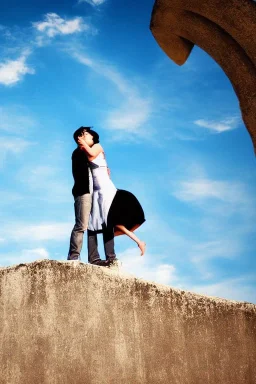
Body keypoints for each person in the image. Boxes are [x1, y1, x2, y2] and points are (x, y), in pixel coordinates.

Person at [77, 129, 146, 264]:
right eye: (81, 135)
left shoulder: (97, 146)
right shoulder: (83, 151)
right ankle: (94, 258)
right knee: (93, 224)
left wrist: (82, 144)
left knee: (108, 222)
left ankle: (111, 257)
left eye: (86, 134)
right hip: (96, 193)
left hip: (107, 191)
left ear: (93, 137)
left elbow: (91, 155)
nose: (83, 136)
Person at [67, 126, 109, 266]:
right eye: (86, 134)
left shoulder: (89, 153)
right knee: (82, 225)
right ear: (80, 138)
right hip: (83, 193)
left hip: (94, 193)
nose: (90, 137)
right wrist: (82, 141)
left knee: (93, 226)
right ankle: (73, 257)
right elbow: (89, 156)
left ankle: (94, 258)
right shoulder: (78, 152)